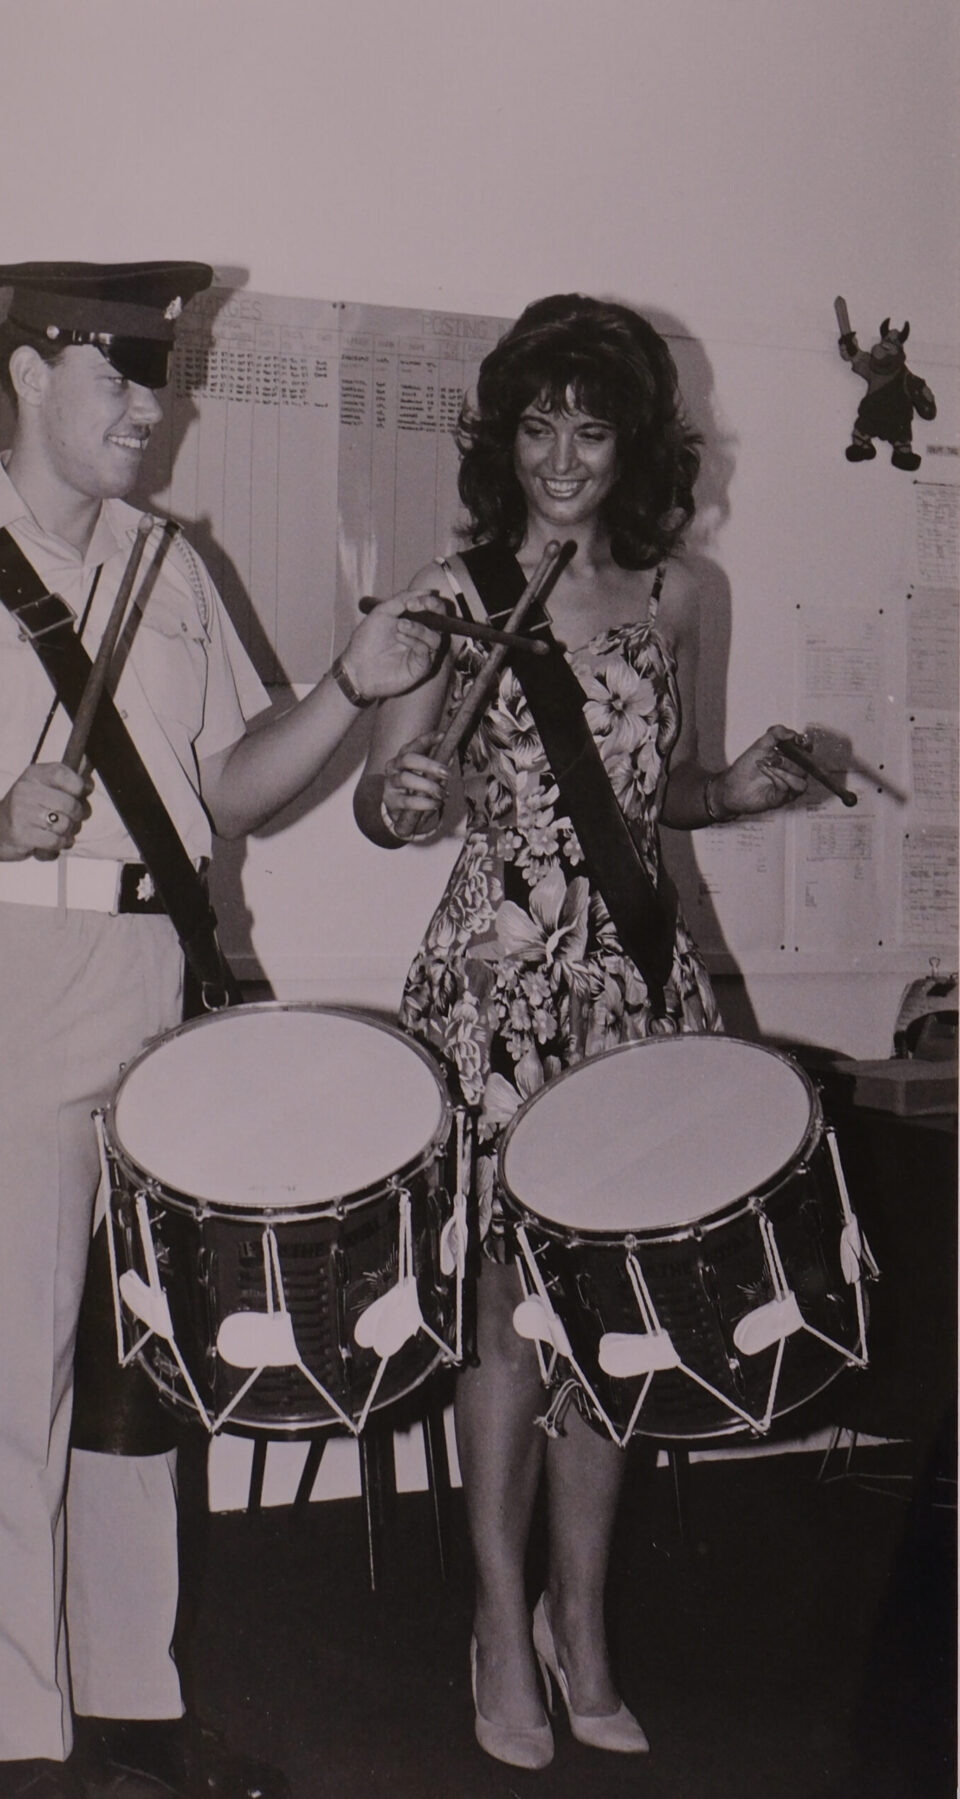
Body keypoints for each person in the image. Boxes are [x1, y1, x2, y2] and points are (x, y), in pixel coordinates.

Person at [0, 260, 439, 1799]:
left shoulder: (171, 568)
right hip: (23, 982)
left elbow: (230, 785)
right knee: (15, 1373)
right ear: (32, 373)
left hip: (163, 985)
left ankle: (135, 1706)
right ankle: (24, 1739)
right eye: (121, 379)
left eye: (160, 379)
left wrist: (355, 694)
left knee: (141, 1368)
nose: (152, 413)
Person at [354, 293, 807, 1771]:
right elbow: (386, 796)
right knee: (501, 1315)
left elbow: (658, 788)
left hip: (629, 987)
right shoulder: (451, 589)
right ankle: (498, 1624)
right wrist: (407, 797)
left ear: (634, 446)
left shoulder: (683, 593)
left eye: (590, 427)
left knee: (606, 1317)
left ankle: (582, 1625)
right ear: (504, 440)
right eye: (537, 426)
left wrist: (732, 794)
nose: (561, 456)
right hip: (497, 983)